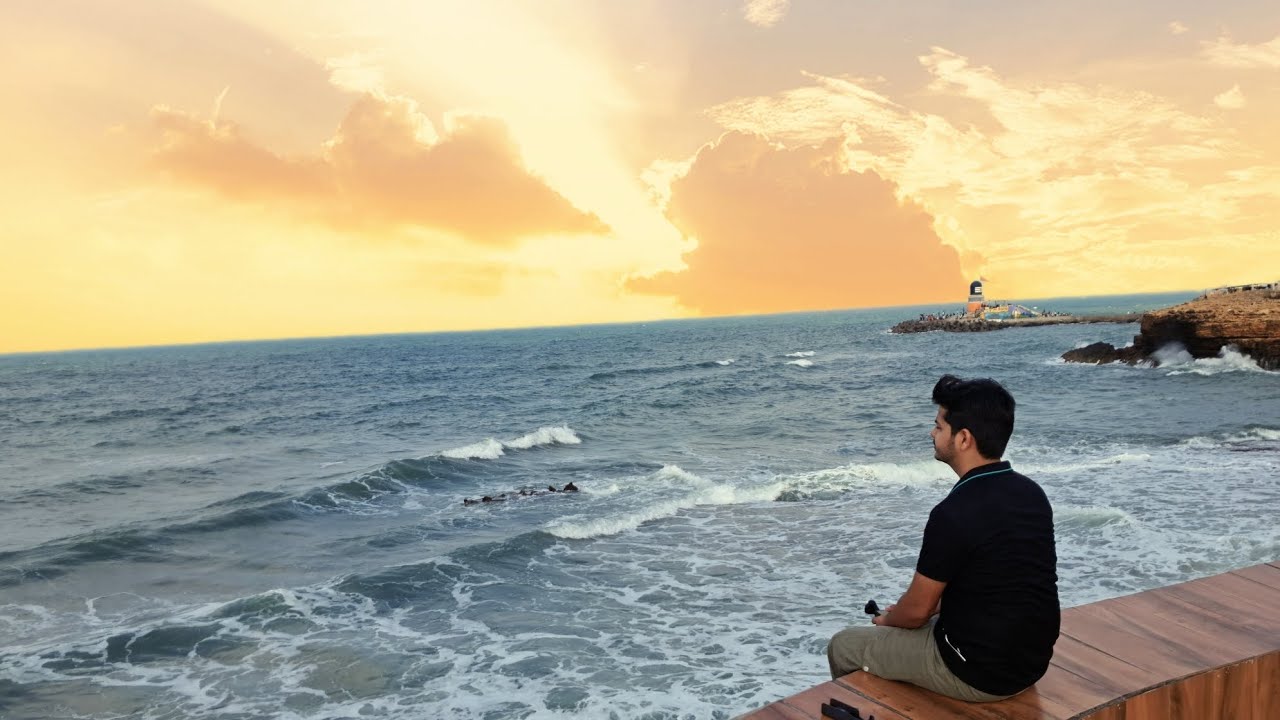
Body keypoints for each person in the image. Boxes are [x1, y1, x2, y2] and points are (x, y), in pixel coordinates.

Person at [826, 374, 1059, 702]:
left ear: (963, 439)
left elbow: (916, 612)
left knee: (844, 645)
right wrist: (920, 612)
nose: (932, 433)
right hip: (1031, 663)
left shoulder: (954, 512)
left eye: (938, 426)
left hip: (978, 673)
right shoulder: (1031, 493)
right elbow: (1001, 579)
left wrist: (889, 618)